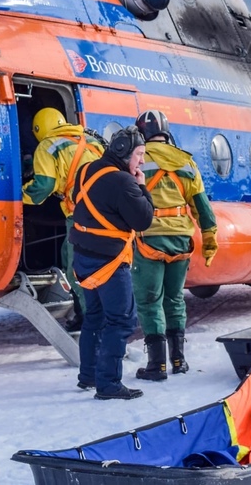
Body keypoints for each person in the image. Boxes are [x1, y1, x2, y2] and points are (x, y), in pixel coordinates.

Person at [131, 110, 218, 382]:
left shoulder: (137, 160)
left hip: (148, 239)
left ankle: (156, 365)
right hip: (181, 241)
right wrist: (210, 241)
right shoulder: (187, 162)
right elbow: (203, 209)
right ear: (166, 132)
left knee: (150, 300)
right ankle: (179, 360)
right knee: (175, 298)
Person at [70, 125, 154, 400]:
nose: (142, 161)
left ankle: (89, 375)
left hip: (83, 259)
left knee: (95, 316)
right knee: (122, 321)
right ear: (123, 152)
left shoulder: (86, 171)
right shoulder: (124, 182)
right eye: (139, 154)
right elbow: (143, 220)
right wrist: (142, 187)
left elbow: (75, 199)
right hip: (110, 262)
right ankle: (108, 384)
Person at [22, 107, 104, 330]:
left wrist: (19, 196)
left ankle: (89, 319)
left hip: (81, 216)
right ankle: (91, 315)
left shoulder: (47, 146)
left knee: (75, 267)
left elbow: (43, 186)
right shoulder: (91, 142)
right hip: (107, 214)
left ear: (38, 130)